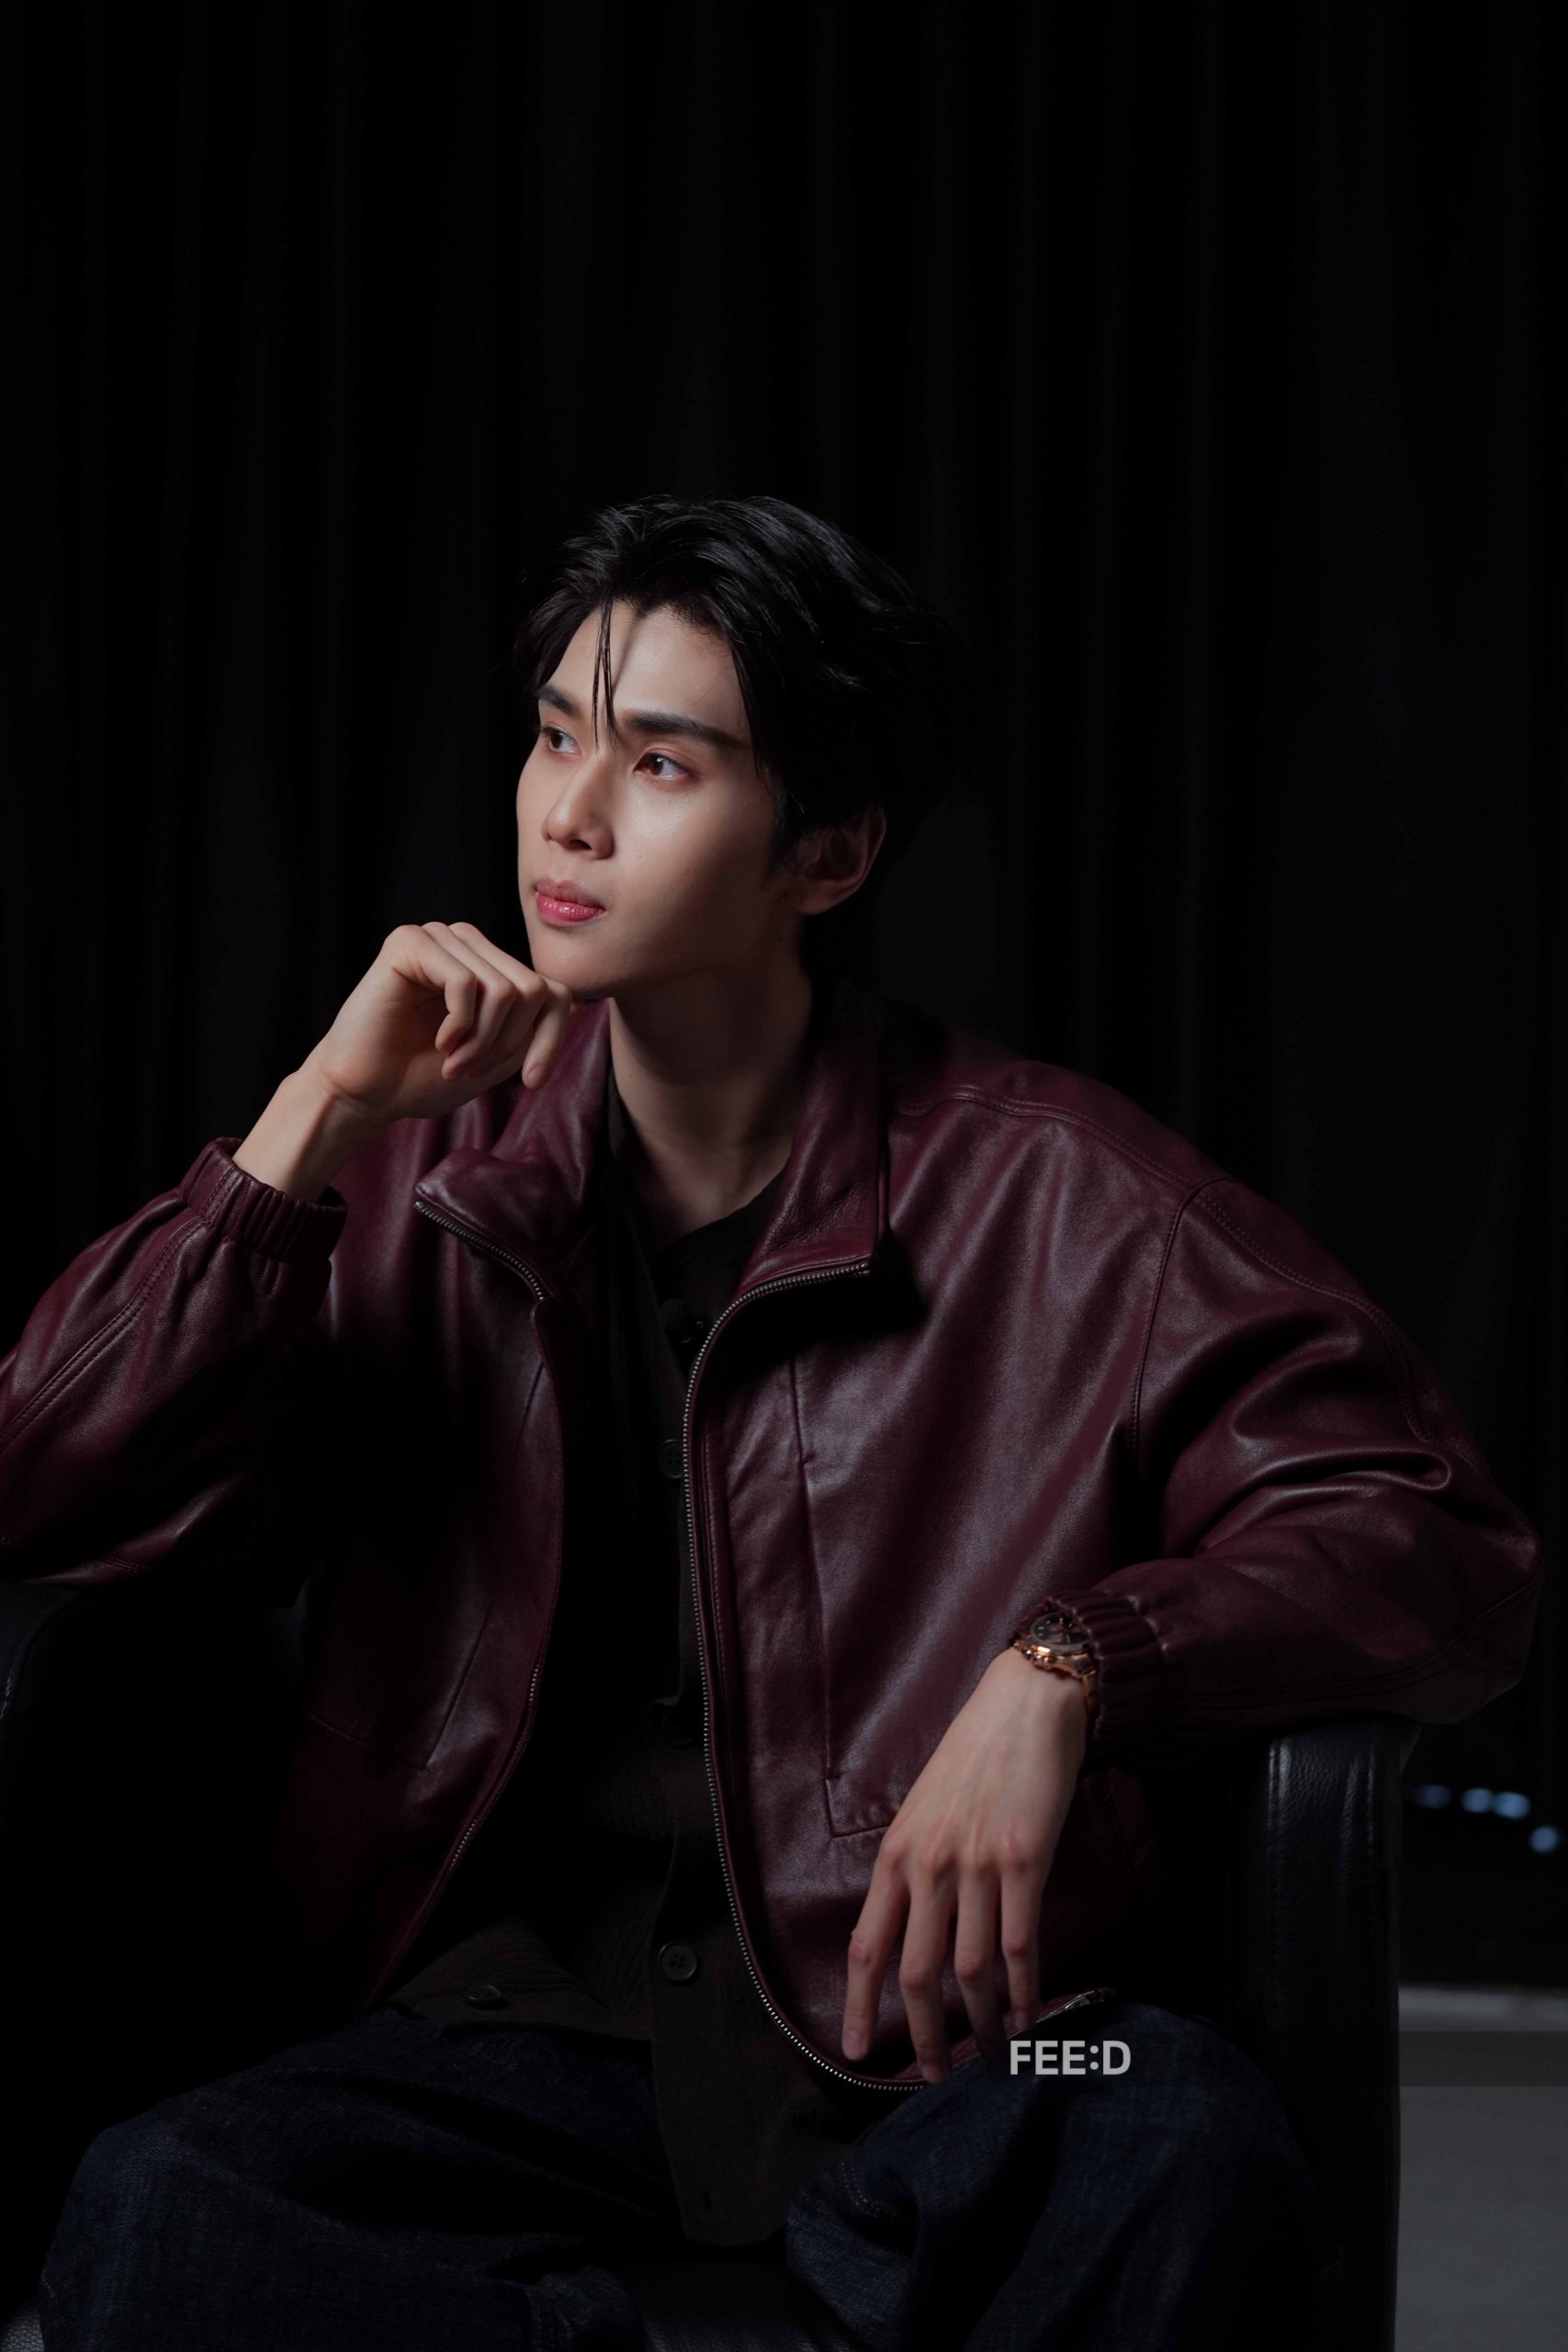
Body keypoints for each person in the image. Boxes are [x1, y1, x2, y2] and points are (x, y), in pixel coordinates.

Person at [0, 492, 1541, 2351]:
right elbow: (46, 1479)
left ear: (827, 853)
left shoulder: (1064, 1199)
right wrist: (309, 1117)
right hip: (506, 2026)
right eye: (554, 735)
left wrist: (1071, 1664)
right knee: (162, 2199)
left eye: (660, 761)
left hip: (962, 2041)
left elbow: (1437, 1535)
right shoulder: (417, 1182)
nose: (568, 815)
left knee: (1176, 2116)